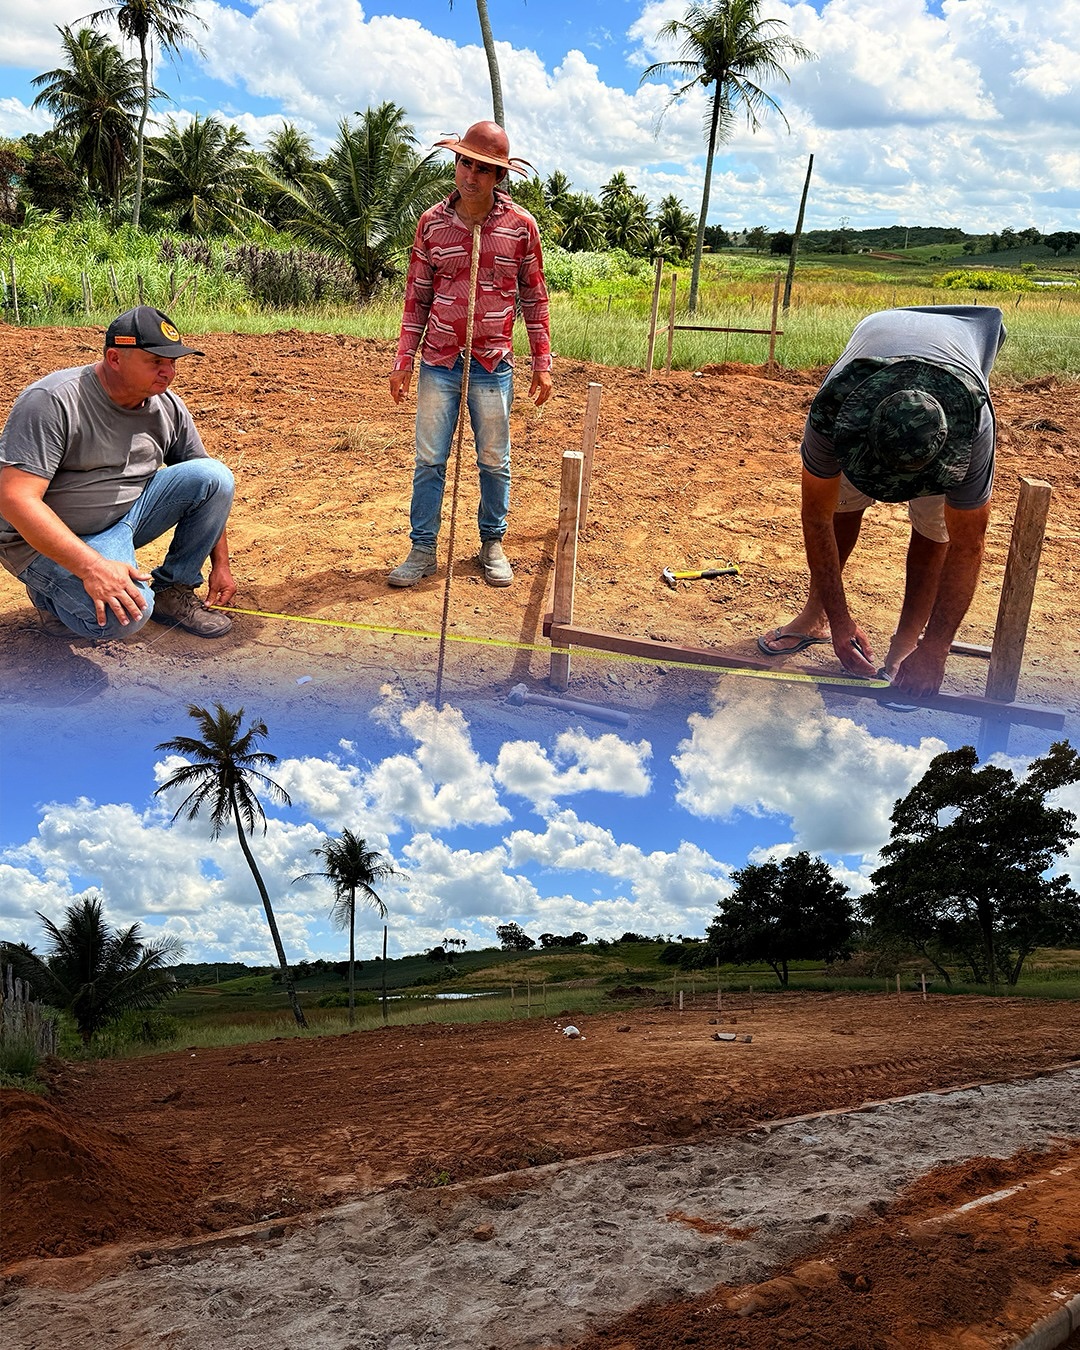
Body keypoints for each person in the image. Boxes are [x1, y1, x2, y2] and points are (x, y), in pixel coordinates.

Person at [757, 305, 1006, 697]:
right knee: (841, 506)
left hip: (956, 357)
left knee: (933, 525)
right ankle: (816, 618)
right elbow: (817, 518)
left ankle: (908, 643)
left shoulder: (970, 428)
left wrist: (935, 648)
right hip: (879, 346)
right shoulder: (832, 410)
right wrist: (840, 620)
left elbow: (967, 545)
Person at [0, 305, 235, 640]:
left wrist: (221, 566)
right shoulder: (53, 400)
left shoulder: (167, 406)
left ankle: (174, 590)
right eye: (156, 361)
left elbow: (210, 486)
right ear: (114, 358)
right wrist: (93, 568)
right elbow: (14, 498)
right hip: (40, 540)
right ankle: (51, 594)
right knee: (124, 616)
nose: (168, 372)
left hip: (123, 520)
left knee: (214, 476)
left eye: (172, 362)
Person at [387, 120, 553, 588]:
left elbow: (535, 297)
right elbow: (417, 297)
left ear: (499, 176)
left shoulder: (521, 228)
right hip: (439, 360)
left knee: (494, 459)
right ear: (455, 163)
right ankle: (422, 549)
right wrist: (403, 359)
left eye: (483, 168)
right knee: (429, 459)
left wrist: (543, 361)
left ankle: (491, 544)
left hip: (492, 362)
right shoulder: (432, 224)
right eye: (465, 162)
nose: (470, 175)